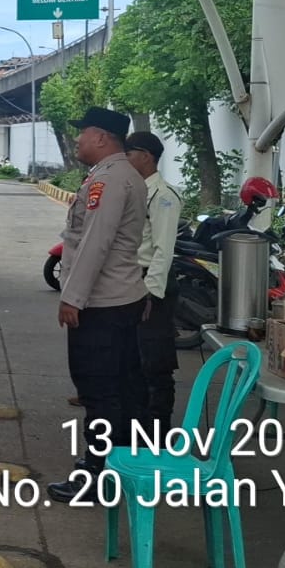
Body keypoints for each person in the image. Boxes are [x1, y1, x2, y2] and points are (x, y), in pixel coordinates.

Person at [48, 106, 149, 504]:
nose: (78, 139)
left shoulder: (108, 180)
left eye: (83, 132)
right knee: (120, 388)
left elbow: (95, 243)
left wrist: (72, 297)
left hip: (102, 304)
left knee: (99, 390)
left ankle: (95, 475)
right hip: (121, 298)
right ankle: (115, 466)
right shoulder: (123, 175)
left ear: (102, 137)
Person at [126, 130, 183, 435]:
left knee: (155, 362)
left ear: (146, 156)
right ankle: (136, 426)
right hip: (133, 281)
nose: (125, 159)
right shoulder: (136, 190)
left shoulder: (163, 196)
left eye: (129, 153)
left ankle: (158, 435)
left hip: (152, 284)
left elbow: (163, 250)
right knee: (133, 360)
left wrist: (150, 294)